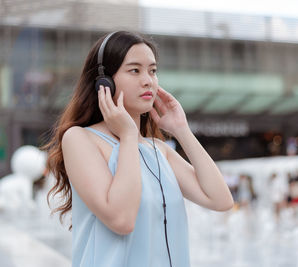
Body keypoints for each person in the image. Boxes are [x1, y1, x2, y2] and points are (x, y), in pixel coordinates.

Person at [42, 31, 234, 267]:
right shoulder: (80, 139)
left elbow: (221, 200)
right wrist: (128, 136)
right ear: (104, 82)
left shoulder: (158, 150)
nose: (148, 81)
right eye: (135, 70)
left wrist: (182, 130)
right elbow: (122, 220)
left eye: (152, 71)